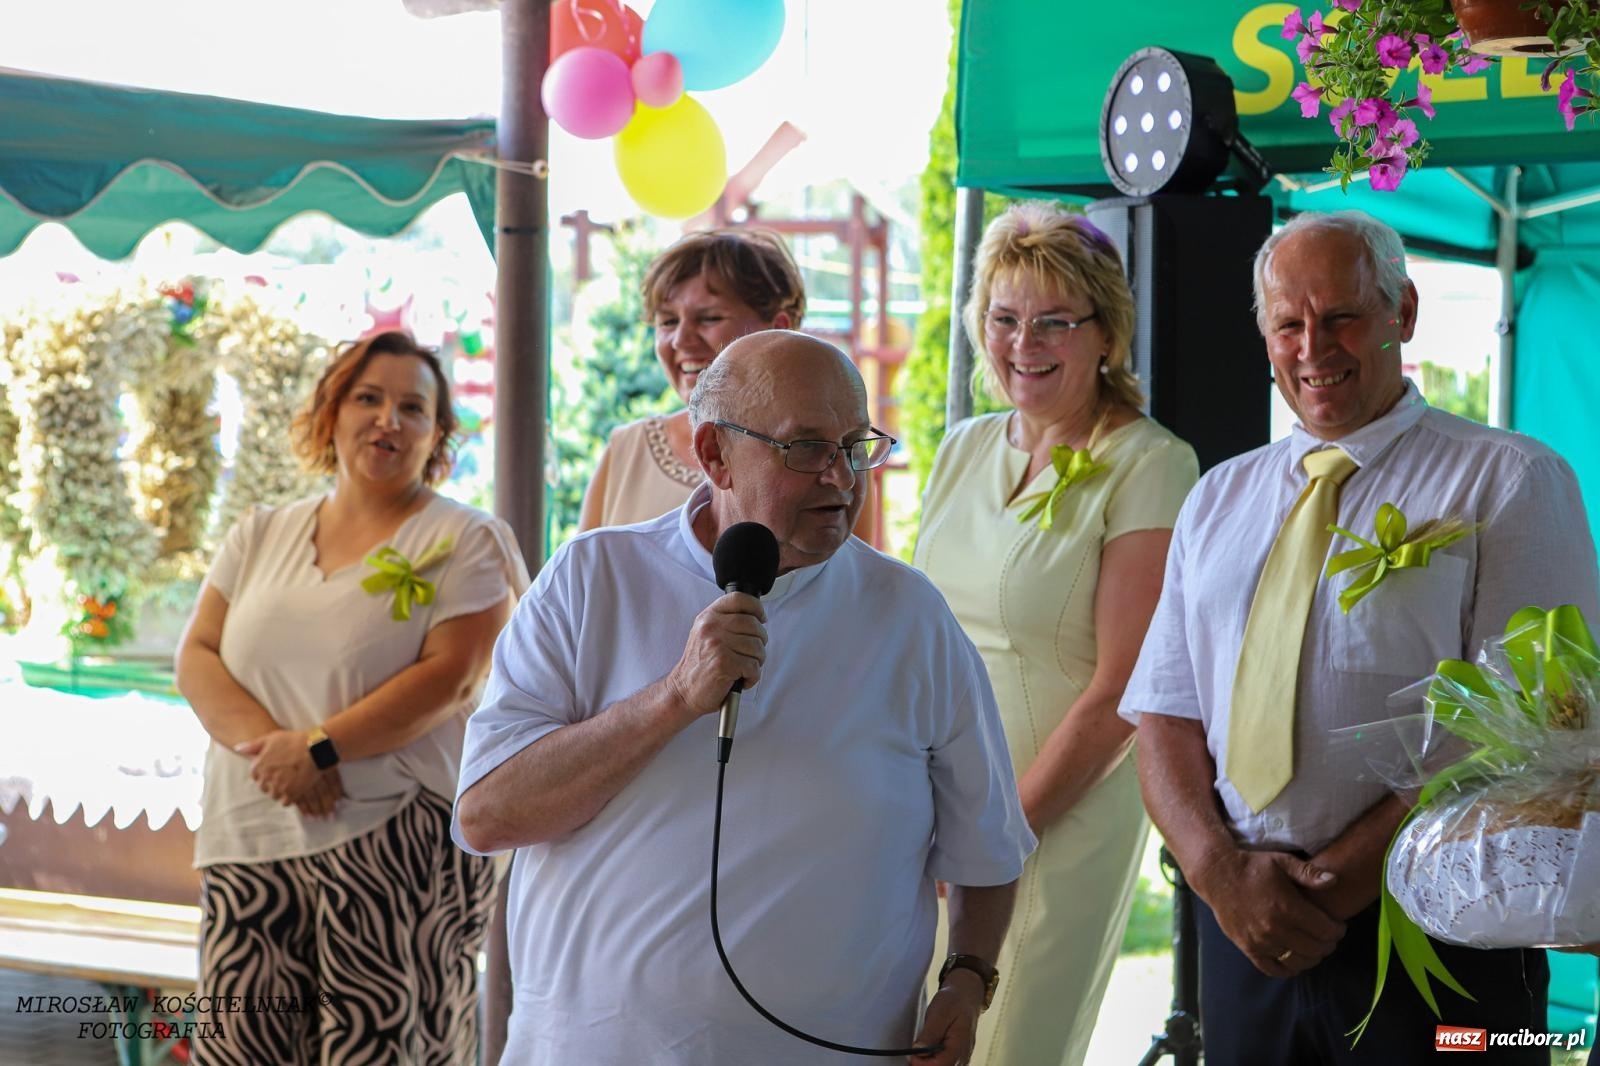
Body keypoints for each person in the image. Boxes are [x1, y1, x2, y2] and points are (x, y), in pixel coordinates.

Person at [453, 330, 1036, 1066]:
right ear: (714, 455)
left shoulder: (910, 615)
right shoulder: (591, 580)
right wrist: (674, 698)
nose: (840, 478)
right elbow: (486, 814)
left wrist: (967, 978)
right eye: (805, 449)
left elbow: (988, 844)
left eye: (856, 447)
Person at [1120, 210, 1600, 1065]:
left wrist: (1344, 879)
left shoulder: (1511, 480)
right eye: (1288, 324)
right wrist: (1219, 876)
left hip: (1442, 927)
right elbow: (1164, 713)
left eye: (1340, 316)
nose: (1313, 347)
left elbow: (1533, 736)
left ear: (1402, 313)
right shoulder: (1217, 497)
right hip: (1243, 929)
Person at [176, 330, 528, 1065]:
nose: (388, 420)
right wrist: (278, 754)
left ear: (436, 435)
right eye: (368, 398)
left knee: (386, 1051)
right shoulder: (259, 531)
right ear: (331, 411)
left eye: (413, 408)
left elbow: (454, 674)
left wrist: (321, 748)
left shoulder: (467, 539)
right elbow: (198, 657)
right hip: (251, 841)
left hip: (394, 844)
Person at [913, 201, 1198, 1066]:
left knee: (1007, 1044)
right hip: (930, 810)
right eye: (1003, 318)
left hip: (1053, 813)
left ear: (1105, 333)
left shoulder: (1151, 464)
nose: (1022, 342)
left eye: (1052, 322)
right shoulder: (962, 447)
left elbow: (1120, 693)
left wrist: (994, 838)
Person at [578, 227, 806, 530]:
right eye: (668, 321)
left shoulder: (829, 457)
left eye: (710, 318)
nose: (680, 340)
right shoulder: (626, 452)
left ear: (777, 328)